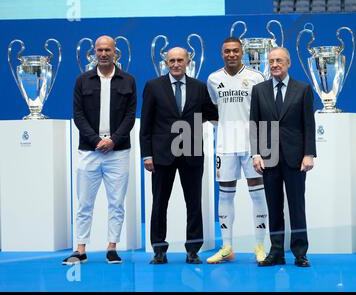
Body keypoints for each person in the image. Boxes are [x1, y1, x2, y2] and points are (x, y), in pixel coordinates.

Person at [63, 35, 137, 265]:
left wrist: (113, 140)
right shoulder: (82, 80)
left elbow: (130, 115)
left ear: (116, 52)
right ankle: (80, 249)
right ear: (94, 52)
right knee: (84, 202)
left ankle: (112, 247)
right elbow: (78, 115)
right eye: (100, 50)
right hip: (89, 150)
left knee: (116, 202)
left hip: (118, 151)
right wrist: (96, 140)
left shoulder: (128, 80)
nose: (103, 53)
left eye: (108, 50)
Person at [140, 47, 218, 264]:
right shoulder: (153, 86)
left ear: (188, 62)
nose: (175, 64)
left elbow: (213, 114)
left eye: (179, 60)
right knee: (159, 204)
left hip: (192, 152)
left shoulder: (200, 87)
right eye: (171, 60)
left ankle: (193, 250)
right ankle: (159, 250)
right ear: (166, 63)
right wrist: (147, 154)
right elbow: (145, 123)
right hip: (162, 154)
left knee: (194, 203)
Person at [250, 47, 316, 267]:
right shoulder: (259, 90)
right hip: (268, 158)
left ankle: (300, 252)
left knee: (297, 206)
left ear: (288, 63)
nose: (274, 64)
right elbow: (255, 125)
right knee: (274, 207)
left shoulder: (303, 89)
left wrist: (309, 154)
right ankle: (276, 251)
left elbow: (308, 124)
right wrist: (256, 154)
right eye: (271, 61)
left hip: (296, 158)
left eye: (279, 60)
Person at [206, 37, 268, 264]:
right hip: (225, 144)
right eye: (226, 51)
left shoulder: (257, 77)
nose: (231, 55)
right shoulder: (213, 79)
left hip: (252, 145)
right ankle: (227, 247)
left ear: (242, 53)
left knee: (258, 193)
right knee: (225, 193)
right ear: (221, 53)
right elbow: (214, 109)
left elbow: (264, 110)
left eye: (235, 51)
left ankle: (260, 245)